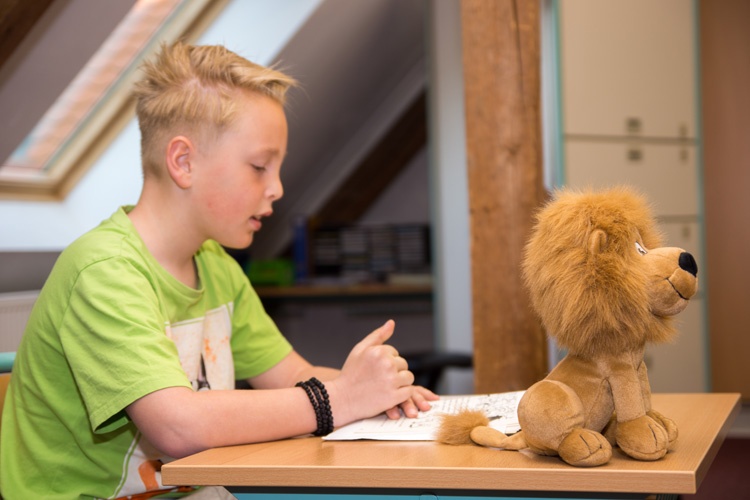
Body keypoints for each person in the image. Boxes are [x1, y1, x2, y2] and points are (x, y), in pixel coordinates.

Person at [0, 42, 438, 499]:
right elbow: (177, 424)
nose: (277, 189)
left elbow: (293, 377)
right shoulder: (104, 272)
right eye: (259, 167)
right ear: (184, 162)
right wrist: (341, 398)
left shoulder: (216, 267)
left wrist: (382, 392)